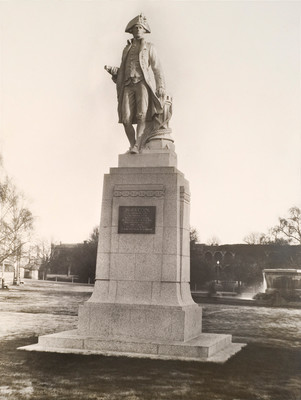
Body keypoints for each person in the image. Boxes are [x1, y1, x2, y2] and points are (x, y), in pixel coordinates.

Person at [105, 14, 166, 153]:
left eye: (140, 27)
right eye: (135, 28)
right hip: (127, 85)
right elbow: (124, 68)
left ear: (144, 30)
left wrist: (160, 86)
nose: (138, 30)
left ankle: (137, 145)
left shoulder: (150, 47)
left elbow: (157, 69)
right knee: (126, 119)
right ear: (131, 31)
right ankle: (133, 144)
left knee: (141, 115)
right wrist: (115, 73)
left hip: (142, 84)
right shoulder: (126, 49)